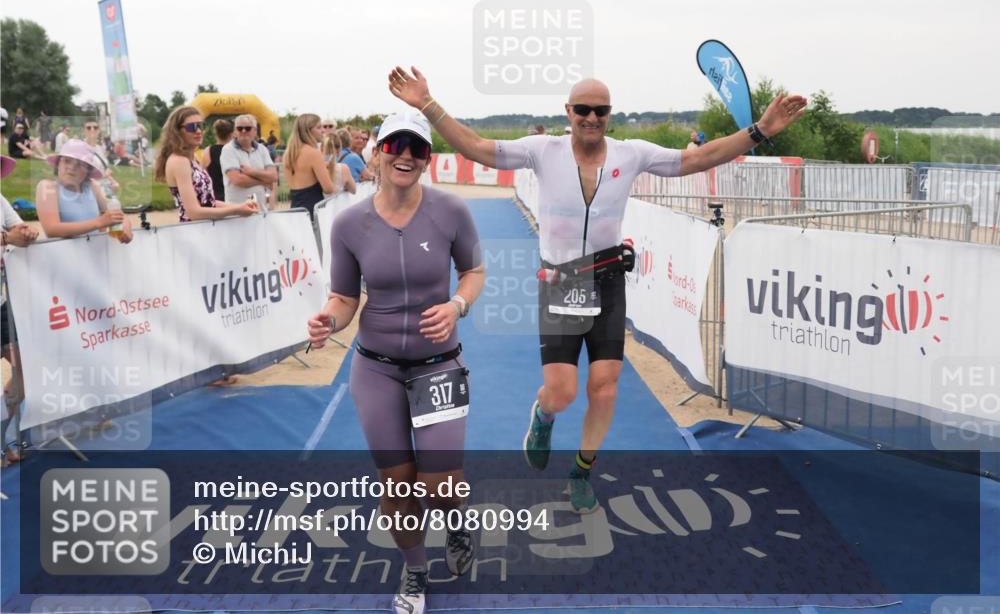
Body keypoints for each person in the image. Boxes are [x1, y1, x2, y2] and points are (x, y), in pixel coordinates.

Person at [388, 65, 808, 513]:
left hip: (607, 282)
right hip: (560, 283)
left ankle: (582, 471)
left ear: (610, 114)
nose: (592, 118)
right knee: (562, 392)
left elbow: (697, 159)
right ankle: (543, 415)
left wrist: (761, 130)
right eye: (583, 109)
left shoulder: (631, 154)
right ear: (568, 111)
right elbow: (475, 147)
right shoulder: (543, 151)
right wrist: (426, 103)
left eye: (600, 111)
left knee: (605, 387)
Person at [306, 111, 485, 614]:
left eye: (417, 148)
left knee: (441, 486)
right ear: (378, 152)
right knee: (398, 484)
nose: (405, 155)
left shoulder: (451, 210)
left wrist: (457, 305)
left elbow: (474, 270)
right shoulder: (349, 223)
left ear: (427, 159)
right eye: (394, 146)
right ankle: (415, 570)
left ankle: (456, 518)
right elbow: (344, 298)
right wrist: (328, 320)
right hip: (376, 369)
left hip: (438, 365)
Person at [154, 106, 259, 223]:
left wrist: (240, 206)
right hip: (194, 230)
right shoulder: (179, 161)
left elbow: (209, 202)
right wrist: (236, 210)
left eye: (200, 125)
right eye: (191, 127)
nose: (198, 131)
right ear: (177, 132)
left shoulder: (192, 158)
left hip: (204, 228)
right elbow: (194, 212)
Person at [1, 155, 39, 465]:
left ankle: (0, 440)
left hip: (2, 304)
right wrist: (5, 238)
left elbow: (20, 228)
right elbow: (8, 235)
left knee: (23, 368)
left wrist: (27, 233)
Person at [35, 140, 133, 242]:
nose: (71, 167)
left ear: (88, 170)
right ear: (58, 164)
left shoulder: (92, 186)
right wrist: (99, 222)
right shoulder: (48, 187)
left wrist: (126, 225)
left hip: (93, 250)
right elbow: (52, 229)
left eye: (79, 164)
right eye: (67, 161)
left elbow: (117, 213)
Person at [220, 115, 278, 208]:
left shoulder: (262, 149)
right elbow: (237, 179)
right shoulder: (228, 150)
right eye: (239, 128)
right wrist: (263, 181)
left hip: (260, 210)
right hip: (236, 212)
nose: (243, 131)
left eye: (248, 128)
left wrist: (251, 171)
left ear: (255, 131)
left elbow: (273, 176)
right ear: (235, 131)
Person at [284, 113, 335, 217]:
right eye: (319, 127)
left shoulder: (288, 153)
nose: (323, 131)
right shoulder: (313, 153)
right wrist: (326, 169)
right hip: (313, 211)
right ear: (308, 131)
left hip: (295, 210)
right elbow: (329, 188)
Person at [83, 119, 119, 196]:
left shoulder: (99, 148)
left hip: (105, 187)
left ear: (98, 131)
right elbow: (82, 176)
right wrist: (104, 175)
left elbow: (104, 168)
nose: (92, 129)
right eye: (89, 128)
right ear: (84, 131)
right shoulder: (80, 148)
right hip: (90, 190)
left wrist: (114, 182)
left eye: (95, 127)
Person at [203, 118, 235, 202]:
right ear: (232, 134)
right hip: (232, 196)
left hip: (215, 197)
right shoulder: (234, 151)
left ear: (215, 133)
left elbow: (204, 175)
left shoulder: (208, 151)